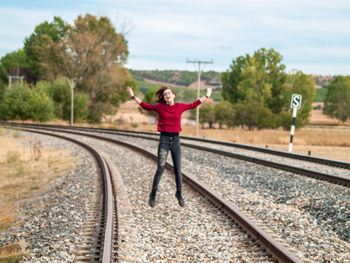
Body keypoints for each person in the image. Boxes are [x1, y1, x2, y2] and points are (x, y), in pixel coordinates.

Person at [126, 86, 212, 207]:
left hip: (176, 140)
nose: (167, 95)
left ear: (173, 95)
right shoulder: (160, 108)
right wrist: (132, 96)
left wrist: (207, 95)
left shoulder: (180, 106)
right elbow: (146, 106)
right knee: (161, 168)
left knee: (178, 169)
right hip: (164, 140)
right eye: (165, 94)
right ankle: (153, 194)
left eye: (169, 93)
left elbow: (194, 104)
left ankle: (179, 193)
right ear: (164, 98)